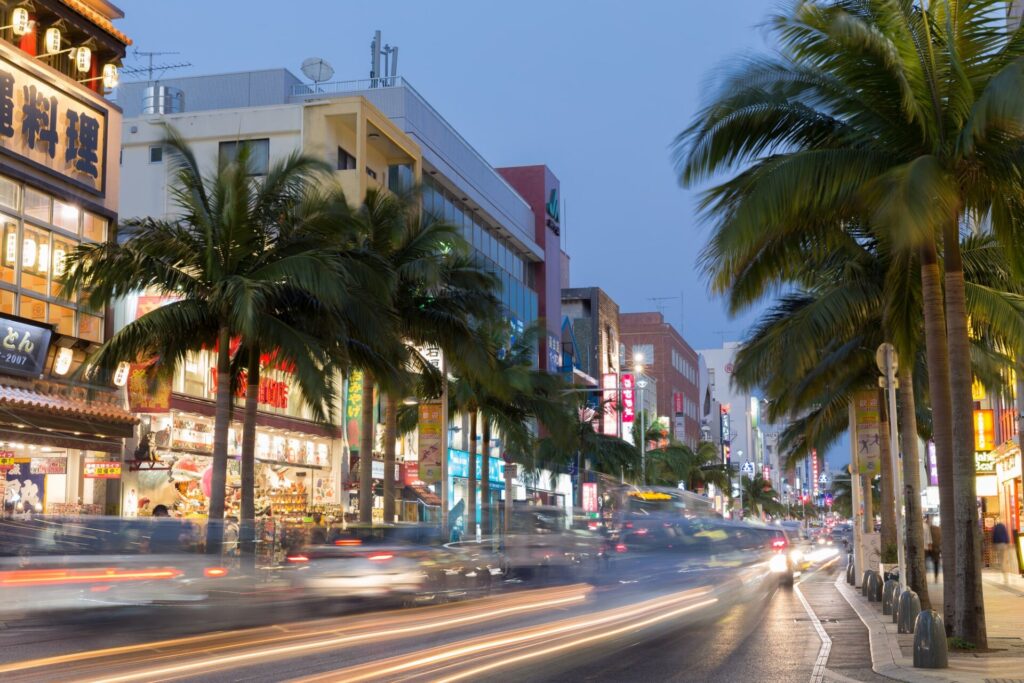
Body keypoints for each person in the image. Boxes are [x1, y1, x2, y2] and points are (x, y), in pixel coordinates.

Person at [992, 518, 1012, 584]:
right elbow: (1006, 535)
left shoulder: (995, 527)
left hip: (998, 545)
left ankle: (1004, 575)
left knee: (1001, 560)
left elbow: (994, 537)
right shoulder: (1003, 526)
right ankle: (1006, 576)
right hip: (1004, 544)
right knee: (1004, 559)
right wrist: (1008, 543)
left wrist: (993, 546)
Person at [928, 515, 942, 583]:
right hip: (935, 548)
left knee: (935, 562)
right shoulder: (938, 529)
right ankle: (936, 576)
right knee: (936, 563)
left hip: (930, 547)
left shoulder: (928, 528)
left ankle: (935, 576)